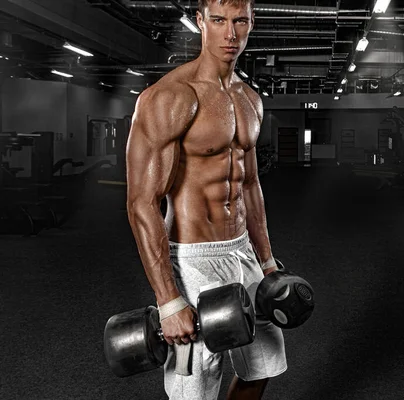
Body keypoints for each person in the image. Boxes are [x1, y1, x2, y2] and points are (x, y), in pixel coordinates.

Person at [125, 0, 287, 398]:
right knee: (193, 385)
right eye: (218, 21)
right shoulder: (168, 98)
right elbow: (141, 202)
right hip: (192, 260)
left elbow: (249, 184)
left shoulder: (250, 98)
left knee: (264, 362)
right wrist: (168, 300)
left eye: (239, 21)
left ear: (252, 22)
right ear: (200, 22)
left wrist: (265, 261)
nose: (230, 34)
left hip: (242, 252)